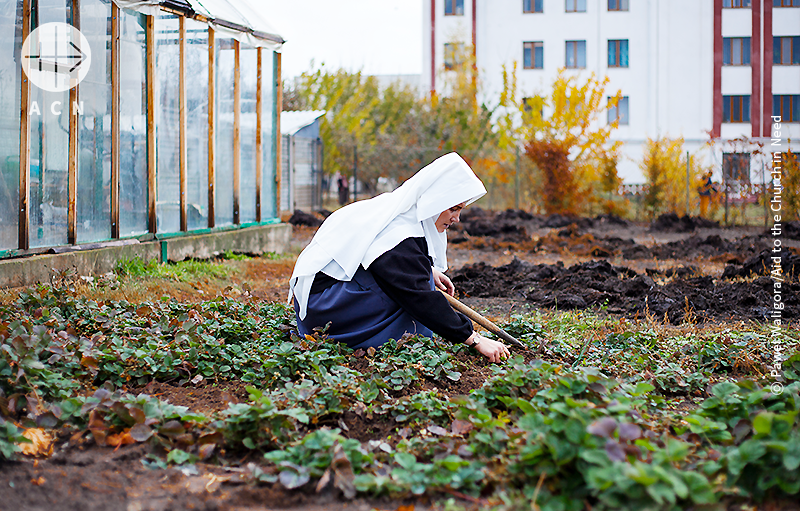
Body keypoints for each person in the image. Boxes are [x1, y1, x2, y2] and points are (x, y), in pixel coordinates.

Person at [289, 153, 511, 363]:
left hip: (321, 301)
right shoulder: (398, 231)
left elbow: (392, 259)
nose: (457, 218)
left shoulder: (399, 214)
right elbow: (419, 296)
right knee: (411, 296)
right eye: (453, 209)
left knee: (414, 280)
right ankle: (370, 338)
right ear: (435, 201)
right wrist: (475, 340)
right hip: (323, 310)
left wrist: (426, 270)